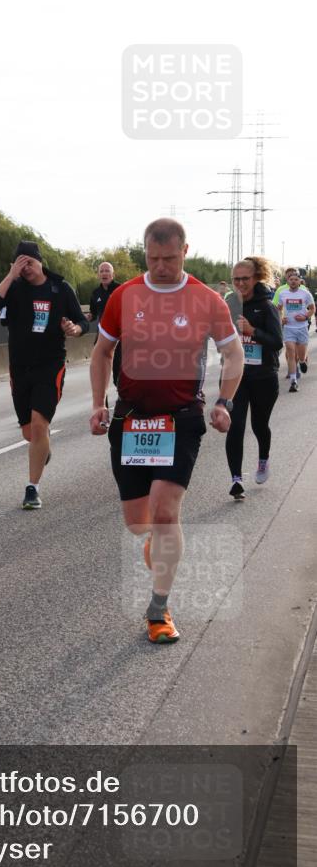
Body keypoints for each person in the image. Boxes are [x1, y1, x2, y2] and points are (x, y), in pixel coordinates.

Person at [90, 218, 243, 644]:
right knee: (140, 524)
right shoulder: (124, 296)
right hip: (131, 418)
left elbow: (233, 354)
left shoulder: (206, 300)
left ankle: (159, 609)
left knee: (164, 512)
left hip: (181, 417)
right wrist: (98, 403)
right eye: (153, 259)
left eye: (169, 258)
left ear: (185, 251)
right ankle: (158, 552)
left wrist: (222, 401)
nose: (160, 266)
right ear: (145, 254)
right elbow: (102, 352)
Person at [0, 240, 89, 509]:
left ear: (40, 261)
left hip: (50, 365)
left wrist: (74, 329)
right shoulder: (14, 288)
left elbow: (83, 321)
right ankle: (43, 447)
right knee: (30, 433)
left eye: (29, 262)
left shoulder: (59, 288)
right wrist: (10, 276)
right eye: (20, 263)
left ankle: (32, 489)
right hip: (19, 367)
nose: (26, 268)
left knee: (39, 424)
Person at [224, 257, 283, 500]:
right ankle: (236, 479)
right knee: (235, 426)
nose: (240, 283)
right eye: (236, 279)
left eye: (245, 279)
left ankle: (263, 459)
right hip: (235, 376)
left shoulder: (266, 306)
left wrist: (252, 332)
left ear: (256, 278)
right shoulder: (229, 303)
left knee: (259, 425)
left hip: (263, 377)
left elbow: (277, 342)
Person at [274, 270, 314, 391]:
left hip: (301, 328)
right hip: (289, 328)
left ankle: (302, 361)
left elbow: (312, 308)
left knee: (301, 355)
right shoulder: (283, 294)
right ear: (288, 281)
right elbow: (278, 309)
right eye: (291, 279)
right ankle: (293, 381)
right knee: (291, 353)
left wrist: (305, 316)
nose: (293, 281)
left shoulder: (305, 293)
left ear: (299, 281)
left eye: (296, 279)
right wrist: (281, 319)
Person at [88, 261, 121, 388]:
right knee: (100, 371)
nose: (104, 273)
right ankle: (102, 404)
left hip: (120, 336)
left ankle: (122, 398)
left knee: (118, 372)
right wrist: (83, 319)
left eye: (107, 271)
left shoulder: (121, 289)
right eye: (101, 271)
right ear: (98, 275)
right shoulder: (96, 293)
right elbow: (93, 314)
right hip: (102, 335)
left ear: (113, 274)